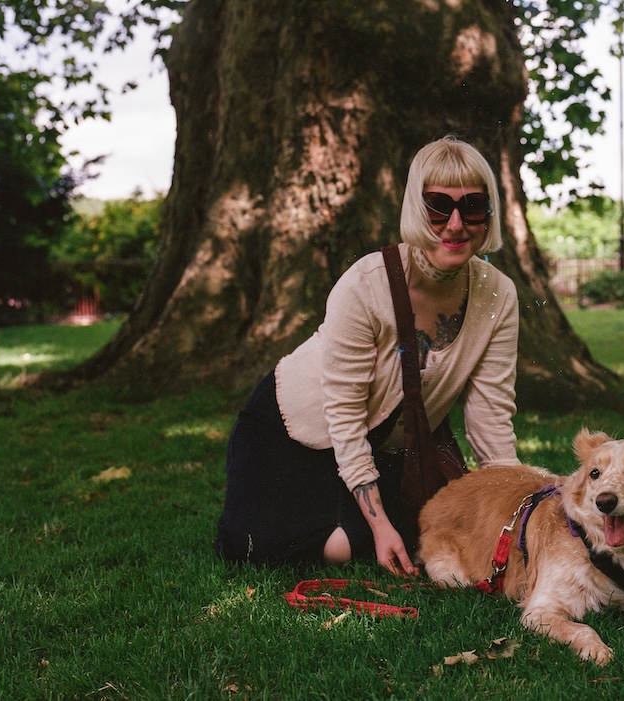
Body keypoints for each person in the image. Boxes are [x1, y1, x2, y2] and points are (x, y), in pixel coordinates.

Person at [215, 136, 521, 577]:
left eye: (472, 207)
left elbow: (491, 419)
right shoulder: (365, 283)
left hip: (383, 451)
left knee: (421, 533)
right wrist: (378, 526)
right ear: (415, 209)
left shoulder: (499, 295)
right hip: (290, 435)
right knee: (330, 547)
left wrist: (513, 511)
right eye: (438, 207)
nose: (455, 225)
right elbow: (344, 414)